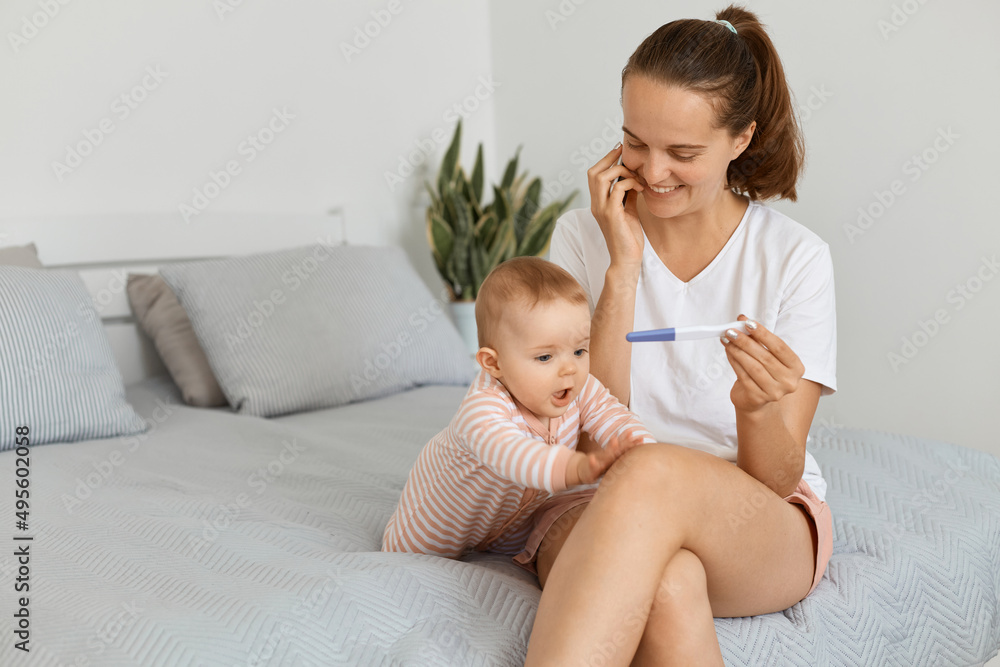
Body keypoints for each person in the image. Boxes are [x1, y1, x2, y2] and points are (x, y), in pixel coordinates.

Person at [522, 5, 837, 665]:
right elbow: (586, 437)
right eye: (635, 141)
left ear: (741, 139)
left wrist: (755, 409)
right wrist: (624, 269)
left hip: (756, 517)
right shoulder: (584, 238)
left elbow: (776, 478)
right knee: (668, 581)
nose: (653, 171)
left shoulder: (795, 259)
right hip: (598, 496)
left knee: (656, 468)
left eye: (683, 152)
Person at [381, 256, 653, 559]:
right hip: (438, 524)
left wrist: (645, 451)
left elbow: (613, 416)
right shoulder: (482, 409)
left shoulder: (580, 387)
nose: (570, 370)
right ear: (494, 363)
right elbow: (513, 456)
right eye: (545, 357)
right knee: (408, 555)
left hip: (510, 525)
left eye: (579, 350)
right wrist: (575, 467)